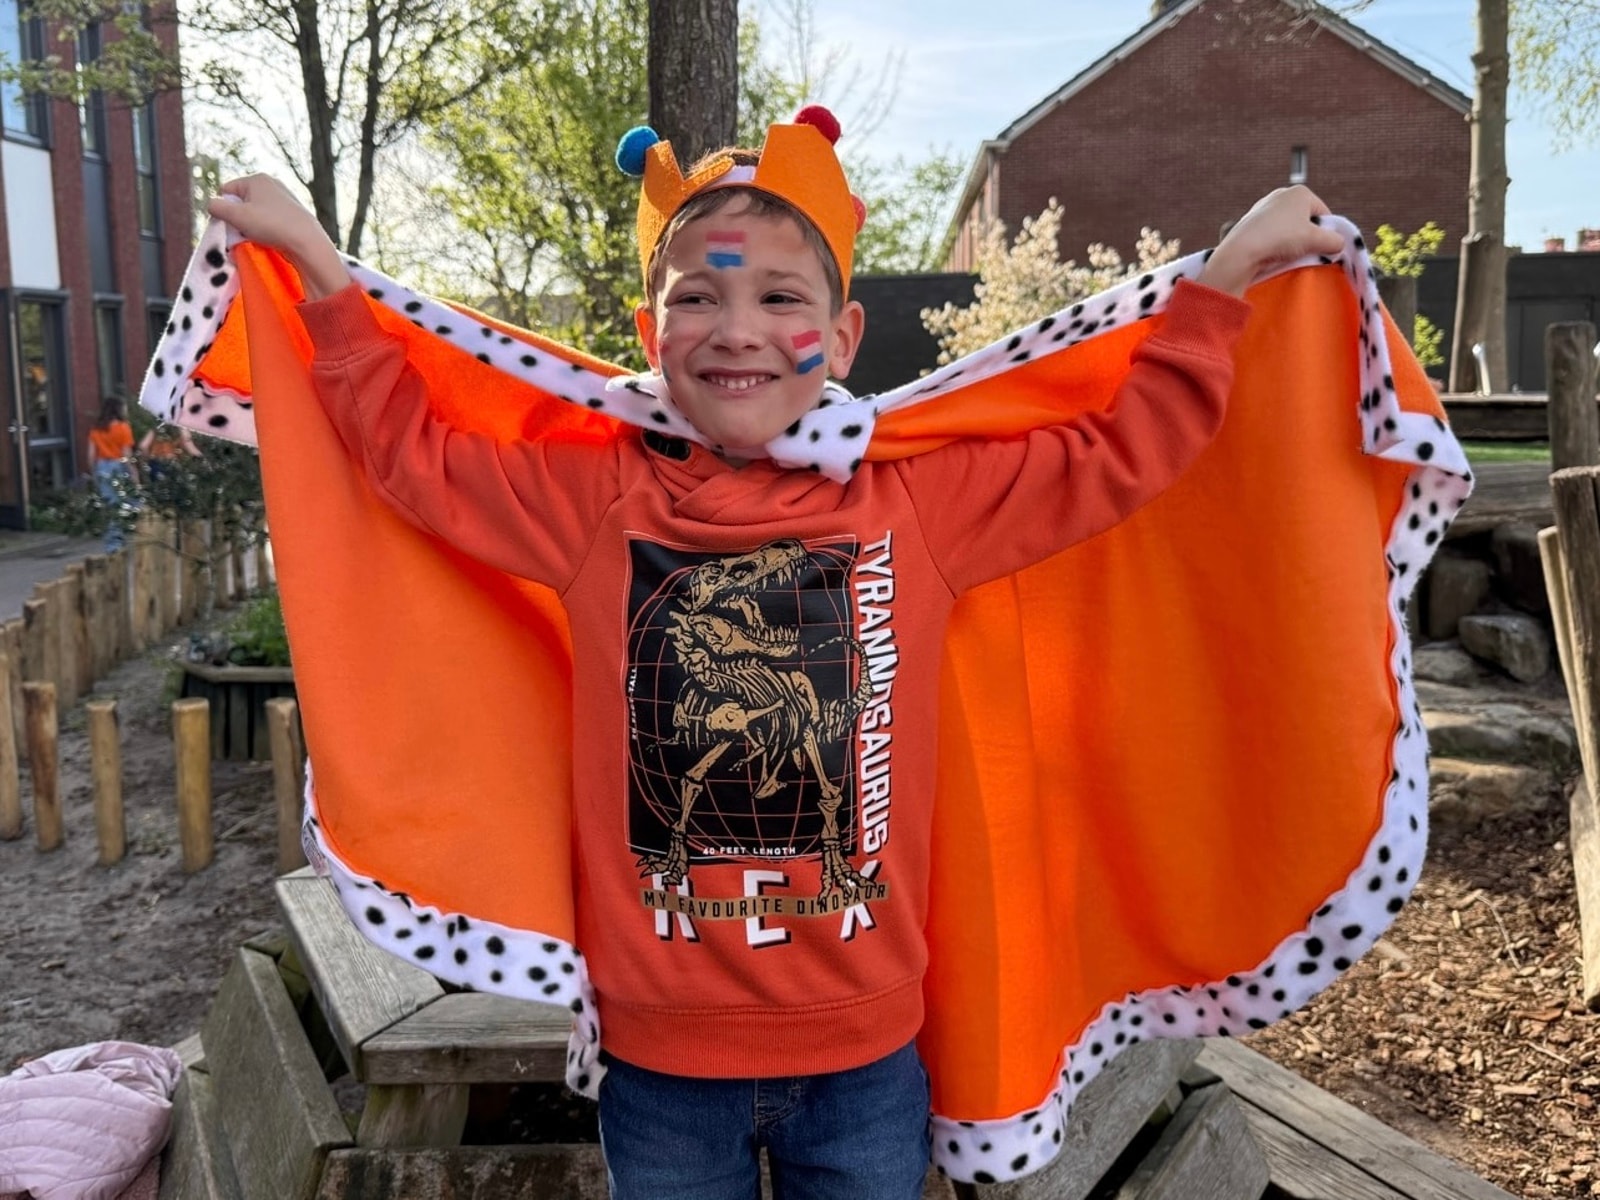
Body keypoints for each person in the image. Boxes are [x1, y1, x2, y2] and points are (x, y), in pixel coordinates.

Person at [205, 108, 1343, 1199]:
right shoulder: (593, 503)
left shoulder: (919, 503)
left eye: (779, 295)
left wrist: (1229, 274)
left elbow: (1120, 453)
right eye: (698, 296)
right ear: (651, 333)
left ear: (841, 337)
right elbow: (409, 451)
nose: (737, 328)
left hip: (867, 1061)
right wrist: (319, 270)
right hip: (659, 1067)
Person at [85, 396, 138, 551]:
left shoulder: (96, 429)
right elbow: (126, 454)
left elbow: (90, 456)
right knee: (129, 502)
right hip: (119, 465)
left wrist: (94, 473)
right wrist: (134, 473)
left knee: (110, 505)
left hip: (102, 466)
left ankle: (113, 543)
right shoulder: (123, 428)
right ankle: (124, 539)